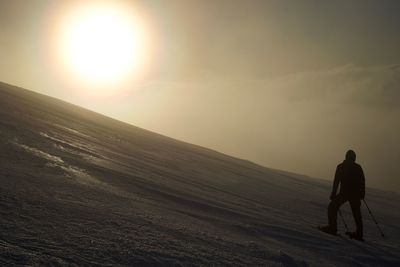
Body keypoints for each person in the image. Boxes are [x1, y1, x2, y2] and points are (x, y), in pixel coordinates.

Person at [320, 150, 365, 240]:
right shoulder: (357, 167)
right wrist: (362, 193)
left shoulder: (341, 166)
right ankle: (359, 234)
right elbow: (362, 181)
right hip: (354, 194)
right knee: (356, 213)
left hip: (344, 193)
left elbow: (336, 181)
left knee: (332, 207)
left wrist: (333, 194)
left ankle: (332, 228)